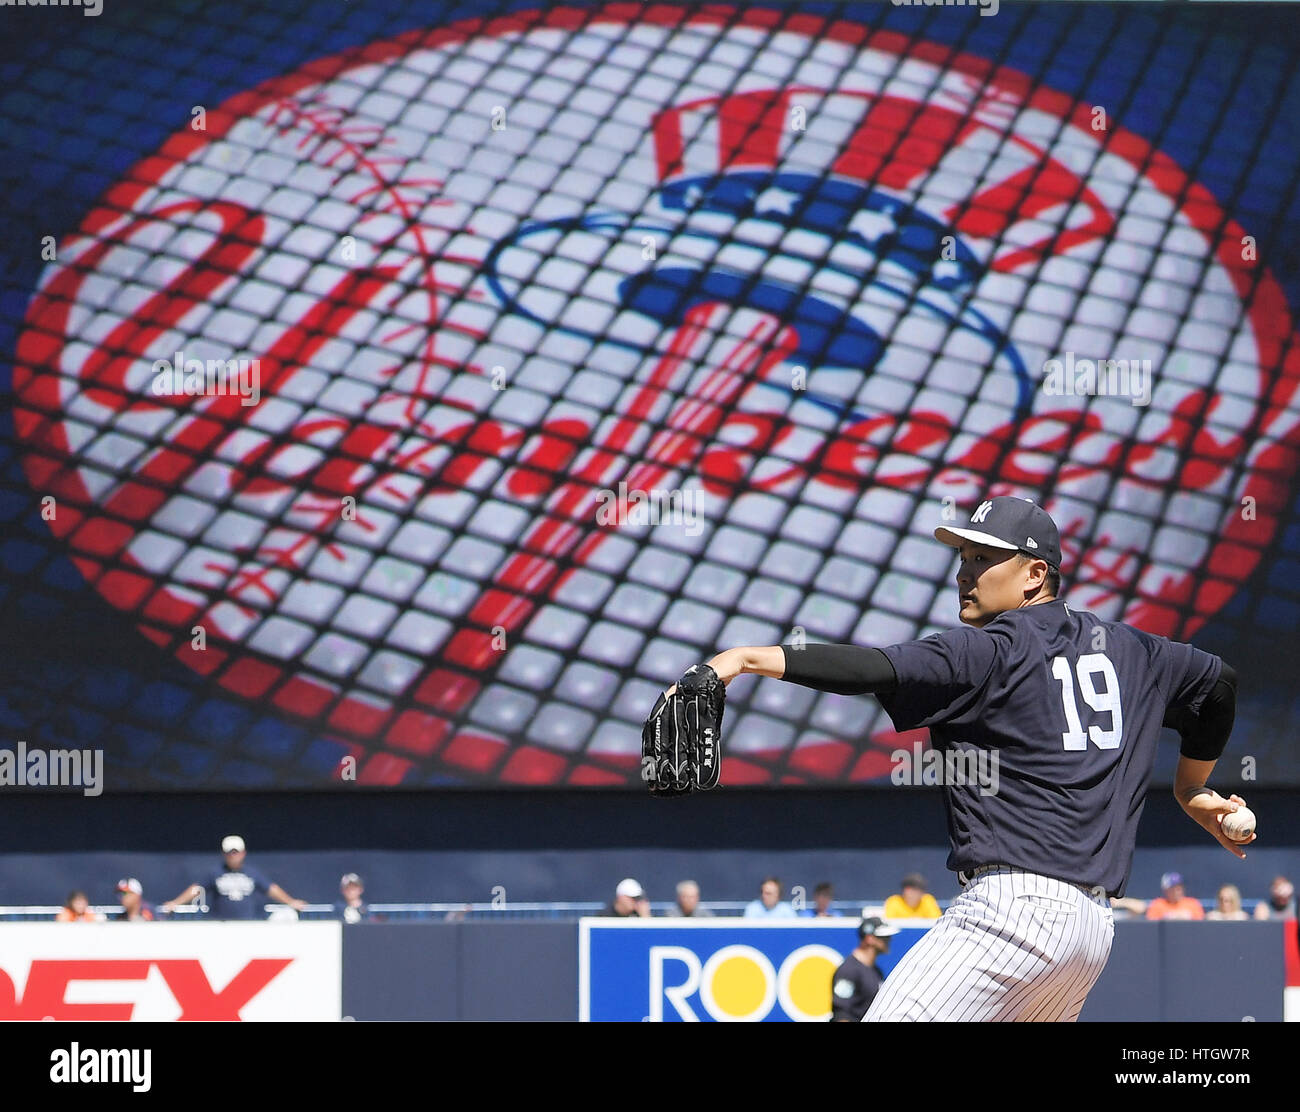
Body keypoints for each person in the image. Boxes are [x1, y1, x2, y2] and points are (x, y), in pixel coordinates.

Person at [674, 495, 1249, 1021]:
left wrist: (743, 660)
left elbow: (873, 667)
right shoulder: (1131, 648)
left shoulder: (989, 649)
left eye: (984, 558)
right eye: (964, 557)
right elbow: (1217, 683)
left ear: (1035, 574)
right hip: (1090, 932)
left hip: (1009, 917)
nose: (964, 573)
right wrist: (1192, 788)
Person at [161, 835, 307, 920]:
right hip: (223, 925)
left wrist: (291, 902)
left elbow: (270, 889)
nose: (233, 856)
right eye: (229, 852)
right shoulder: (215, 873)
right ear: (224, 853)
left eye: (236, 852)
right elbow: (196, 889)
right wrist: (176, 903)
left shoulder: (252, 873)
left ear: (243, 853)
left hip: (248, 926)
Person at [831, 916, 900, 1021]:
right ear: (869, 939)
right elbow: (841, 1013)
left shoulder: (876, 971)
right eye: (884, 937)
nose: (889, 940)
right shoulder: (848, 971)